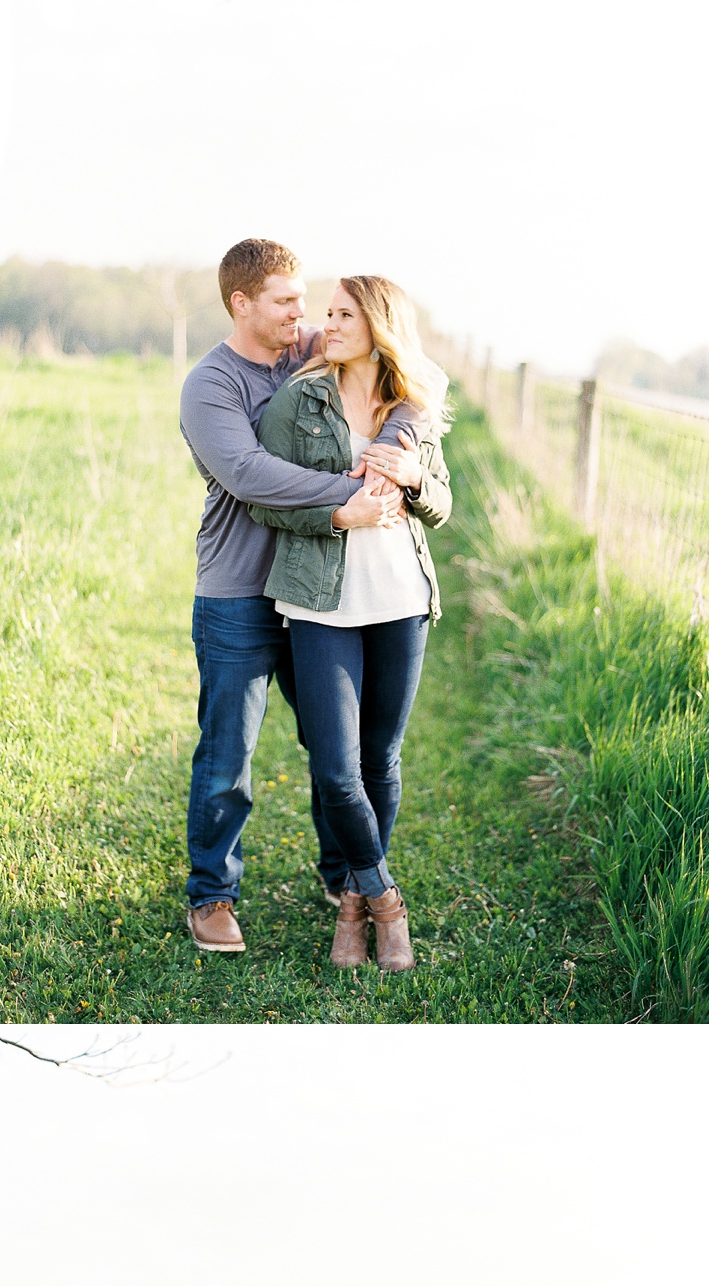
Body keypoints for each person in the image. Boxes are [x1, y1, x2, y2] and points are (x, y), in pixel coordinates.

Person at [179, 240, 403, 954]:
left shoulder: (309, 347)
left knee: (331, 746)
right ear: (241, 304)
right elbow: (250, 474)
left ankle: (343, 876)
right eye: (284, 302)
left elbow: (398, 378)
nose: (302, 316)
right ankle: (212, 895)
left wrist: (397, 459)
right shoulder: (210, 385)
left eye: (303, 301)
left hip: (316, 593)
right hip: (239, 593)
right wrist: (350, 498)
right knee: (228, 754)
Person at [250, 276, 452, 973]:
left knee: (380, 760)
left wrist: (417, 480)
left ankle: (349, 900)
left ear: (379, 325)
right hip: (319, 602)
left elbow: (443, 503)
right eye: (326, 312)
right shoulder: (296, 401)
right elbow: (263, 500)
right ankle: (381, 898)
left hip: (399, 601)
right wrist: (341, 511)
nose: (323, 323)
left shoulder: (411, 408)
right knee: (336, 768)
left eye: (341, 314)